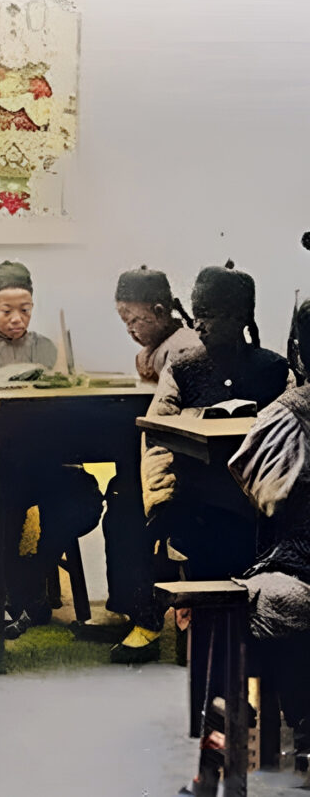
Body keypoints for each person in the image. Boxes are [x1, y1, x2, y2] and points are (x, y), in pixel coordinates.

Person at [128, 261, 291, 664]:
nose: (199, 326)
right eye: (197, 315)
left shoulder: (274, 370)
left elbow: (291, 440)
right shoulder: (183, 367)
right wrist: (159, 496)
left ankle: (251, 646)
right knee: (197, 537)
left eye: (211, 316)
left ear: (240, 318)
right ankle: (206, 639)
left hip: (255, 500)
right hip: (195, 496)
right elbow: (156, 437)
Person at [0, 261, 103, 637]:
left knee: (84, 499)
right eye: (7, 310)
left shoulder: (45, 346)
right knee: (3, 508)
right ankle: (17, 594)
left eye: (25, 310)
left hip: (47, 460)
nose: (16, 319)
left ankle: (34, 576)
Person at [99, 267, 202, 660]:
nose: (130, 330)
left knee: (126, 507)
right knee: (119, 494)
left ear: (160, 311)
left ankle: (146, 618)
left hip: (185, 464)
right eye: (123, 322)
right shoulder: (160, 346)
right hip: (162, 453)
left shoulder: (183, 347)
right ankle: (131, 610)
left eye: (134, 320)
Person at [227, 298, 310, 775]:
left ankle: (304, 722)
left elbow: (266, 494)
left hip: (301, 568)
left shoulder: (286, 415)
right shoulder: (289, 415)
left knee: (276, 599)